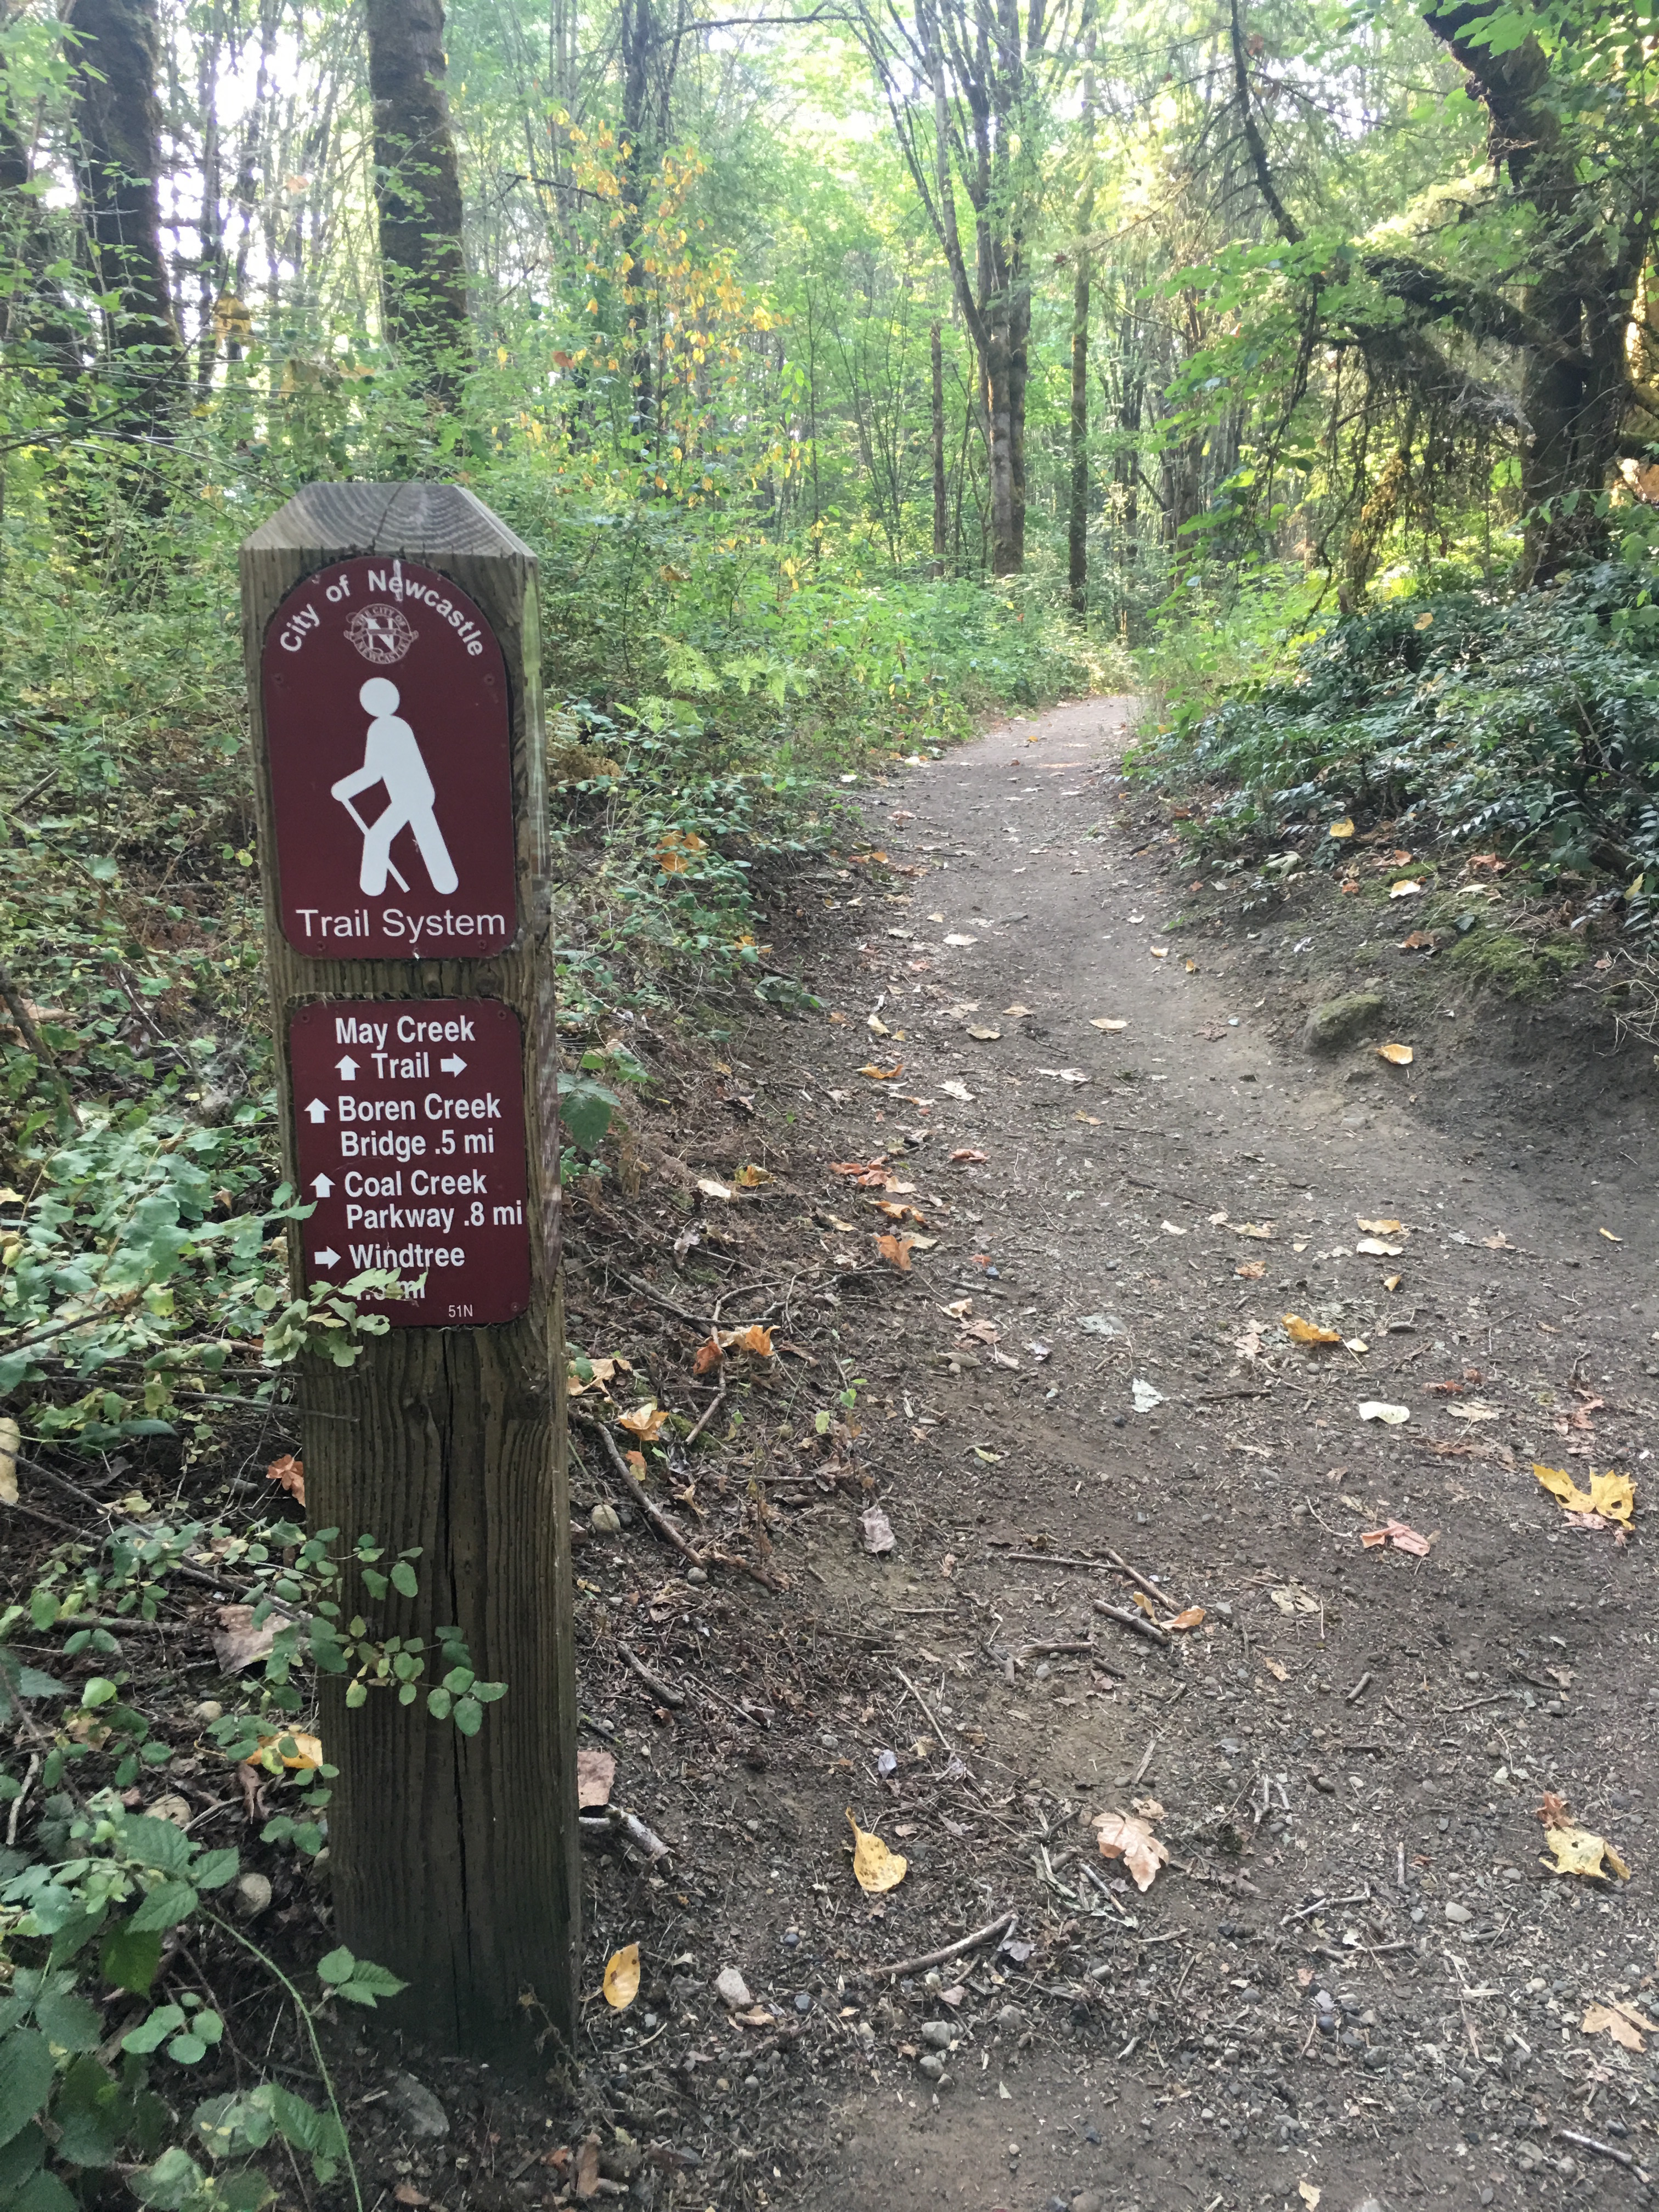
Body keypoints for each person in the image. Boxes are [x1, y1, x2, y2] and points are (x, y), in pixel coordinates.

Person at [330, 678, 458, 897]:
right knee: (428, 837)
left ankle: (372, 891)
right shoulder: (398, 725)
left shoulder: (384, 728)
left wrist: (344, 788)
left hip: (409, 796)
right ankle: (446, 885)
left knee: (378, 837)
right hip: (416, 794)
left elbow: (374, 771)